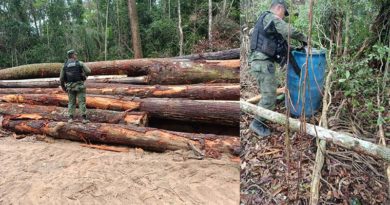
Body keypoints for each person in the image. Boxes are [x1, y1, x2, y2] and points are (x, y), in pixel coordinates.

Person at [249, 0, 307, 137]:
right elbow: (288, 30)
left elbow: (274, 43)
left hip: (260, 62)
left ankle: (271, 105)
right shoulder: (270, 17)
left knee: (268, 93)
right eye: (284, 14)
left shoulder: (264, 20)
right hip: (262, 63)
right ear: (279, 8)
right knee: (269, 96)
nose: (283, 17)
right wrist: (305, 38)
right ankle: (257, 123)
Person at [60, 49, 91, 123]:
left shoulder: (64, 65)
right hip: (80, 86)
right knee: (81, 102)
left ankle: (70, 119)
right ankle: (84, 119)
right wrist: (84, 76)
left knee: (71, 102)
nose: (76, 56)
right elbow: (89, 71)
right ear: (73, 55)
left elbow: (61, 78)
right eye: (75, 54)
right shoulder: (80, 63)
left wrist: (64, 88)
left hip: (70, 87)